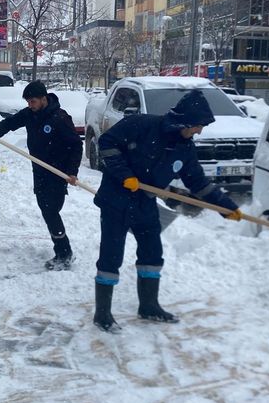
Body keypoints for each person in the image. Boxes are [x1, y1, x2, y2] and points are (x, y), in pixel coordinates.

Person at [92, 90, 242, 332]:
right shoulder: (141, 125)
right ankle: (102, 314)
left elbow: (198, 182)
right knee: (112, 254)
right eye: (197, 126)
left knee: (152, 253)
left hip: (146, 202)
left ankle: (149, 306)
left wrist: (226, 207)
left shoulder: (184, 149)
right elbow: (106, 143)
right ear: (184, 121)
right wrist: (124, 175)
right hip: (116, 199)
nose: (199, 131)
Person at [0, 81, 82, 271]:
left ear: (44, 99)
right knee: (46, 210)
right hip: (39, 170)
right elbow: (12, 122)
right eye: (28, 102)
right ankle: (62, 249)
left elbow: (76, 146)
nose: (30, 105)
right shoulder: (30, 114)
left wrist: (72, 172)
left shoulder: (59, 118)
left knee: (51, 211)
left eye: (33, 101)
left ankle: (64, 253)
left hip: (57, 172)